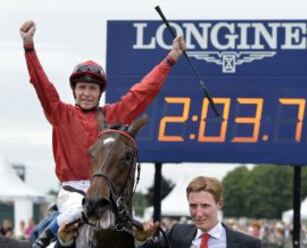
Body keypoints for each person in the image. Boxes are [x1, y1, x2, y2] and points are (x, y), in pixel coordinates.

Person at [20, 20, 186, 248]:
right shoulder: (61, 113)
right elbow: (42, 85)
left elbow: (143, 92)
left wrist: (171, 59)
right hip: (73, 192)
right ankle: (45, 238)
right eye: (82, 88)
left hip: (109, 193)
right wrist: (29, 48)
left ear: (99, 93)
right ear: (75, 91)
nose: (87, 93)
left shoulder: (113, 115)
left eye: (92, 88)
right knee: (75, 214)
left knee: (133, 230)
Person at [57, 176, 261, 248]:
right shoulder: (177, 234)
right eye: (193, 206)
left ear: (219, 204)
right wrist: (140, 239)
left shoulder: (247, 244)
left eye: (205, 206)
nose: (198, 213)